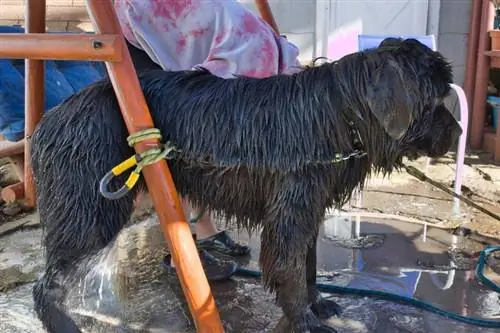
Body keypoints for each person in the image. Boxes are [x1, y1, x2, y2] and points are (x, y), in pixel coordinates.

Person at [114, 0, 303, 281]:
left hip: (175, 25)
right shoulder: (255, 62)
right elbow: (205, 112)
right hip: (143, 22)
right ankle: (180, 253)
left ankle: (204, 232)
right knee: (175, 145)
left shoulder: (266, 53)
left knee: (189, 148)